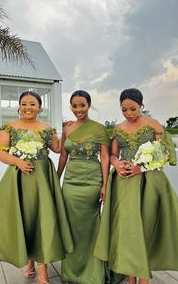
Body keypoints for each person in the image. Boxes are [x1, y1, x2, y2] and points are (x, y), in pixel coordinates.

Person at [94, 88, 178, 284]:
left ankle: (143, 279)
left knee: (146, 228)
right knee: (128, 229)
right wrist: (117, 165)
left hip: (150, 182)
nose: (128, 114)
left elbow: (164, 153)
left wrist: (141, 168)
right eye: (124, 110)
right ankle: (130, 277)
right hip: (124, 183)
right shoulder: (118, 128)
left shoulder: (154, 125)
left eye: (132, 109)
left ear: (141, 105)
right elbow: (114, 155)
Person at [0, 91, 73, 284]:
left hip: (43, 179)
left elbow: (58, 149)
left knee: (41, 219)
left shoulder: (47, 128)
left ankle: (41, 267)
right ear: (19, 106)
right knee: (25, 219)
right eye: (24, 103)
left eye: (32, 104)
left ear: (39, 107)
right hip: (20, 179)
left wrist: (64, 131)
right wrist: (17, 161)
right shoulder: (9, 127)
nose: (28, 107)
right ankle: (29, 261)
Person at [57, 90, 110, 284]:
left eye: (82, 105)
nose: (78, 109)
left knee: (90, 227)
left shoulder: (99, 129)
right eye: (75, 106)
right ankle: (72, 272)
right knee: (71, 226)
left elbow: (104, 158)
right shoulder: (67, 128)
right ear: (70, 107)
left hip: (92, 181)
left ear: (89, 105)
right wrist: (57, 178)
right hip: (71, 182)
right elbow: (63, 155)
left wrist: (105, 184)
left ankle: (92, 273)